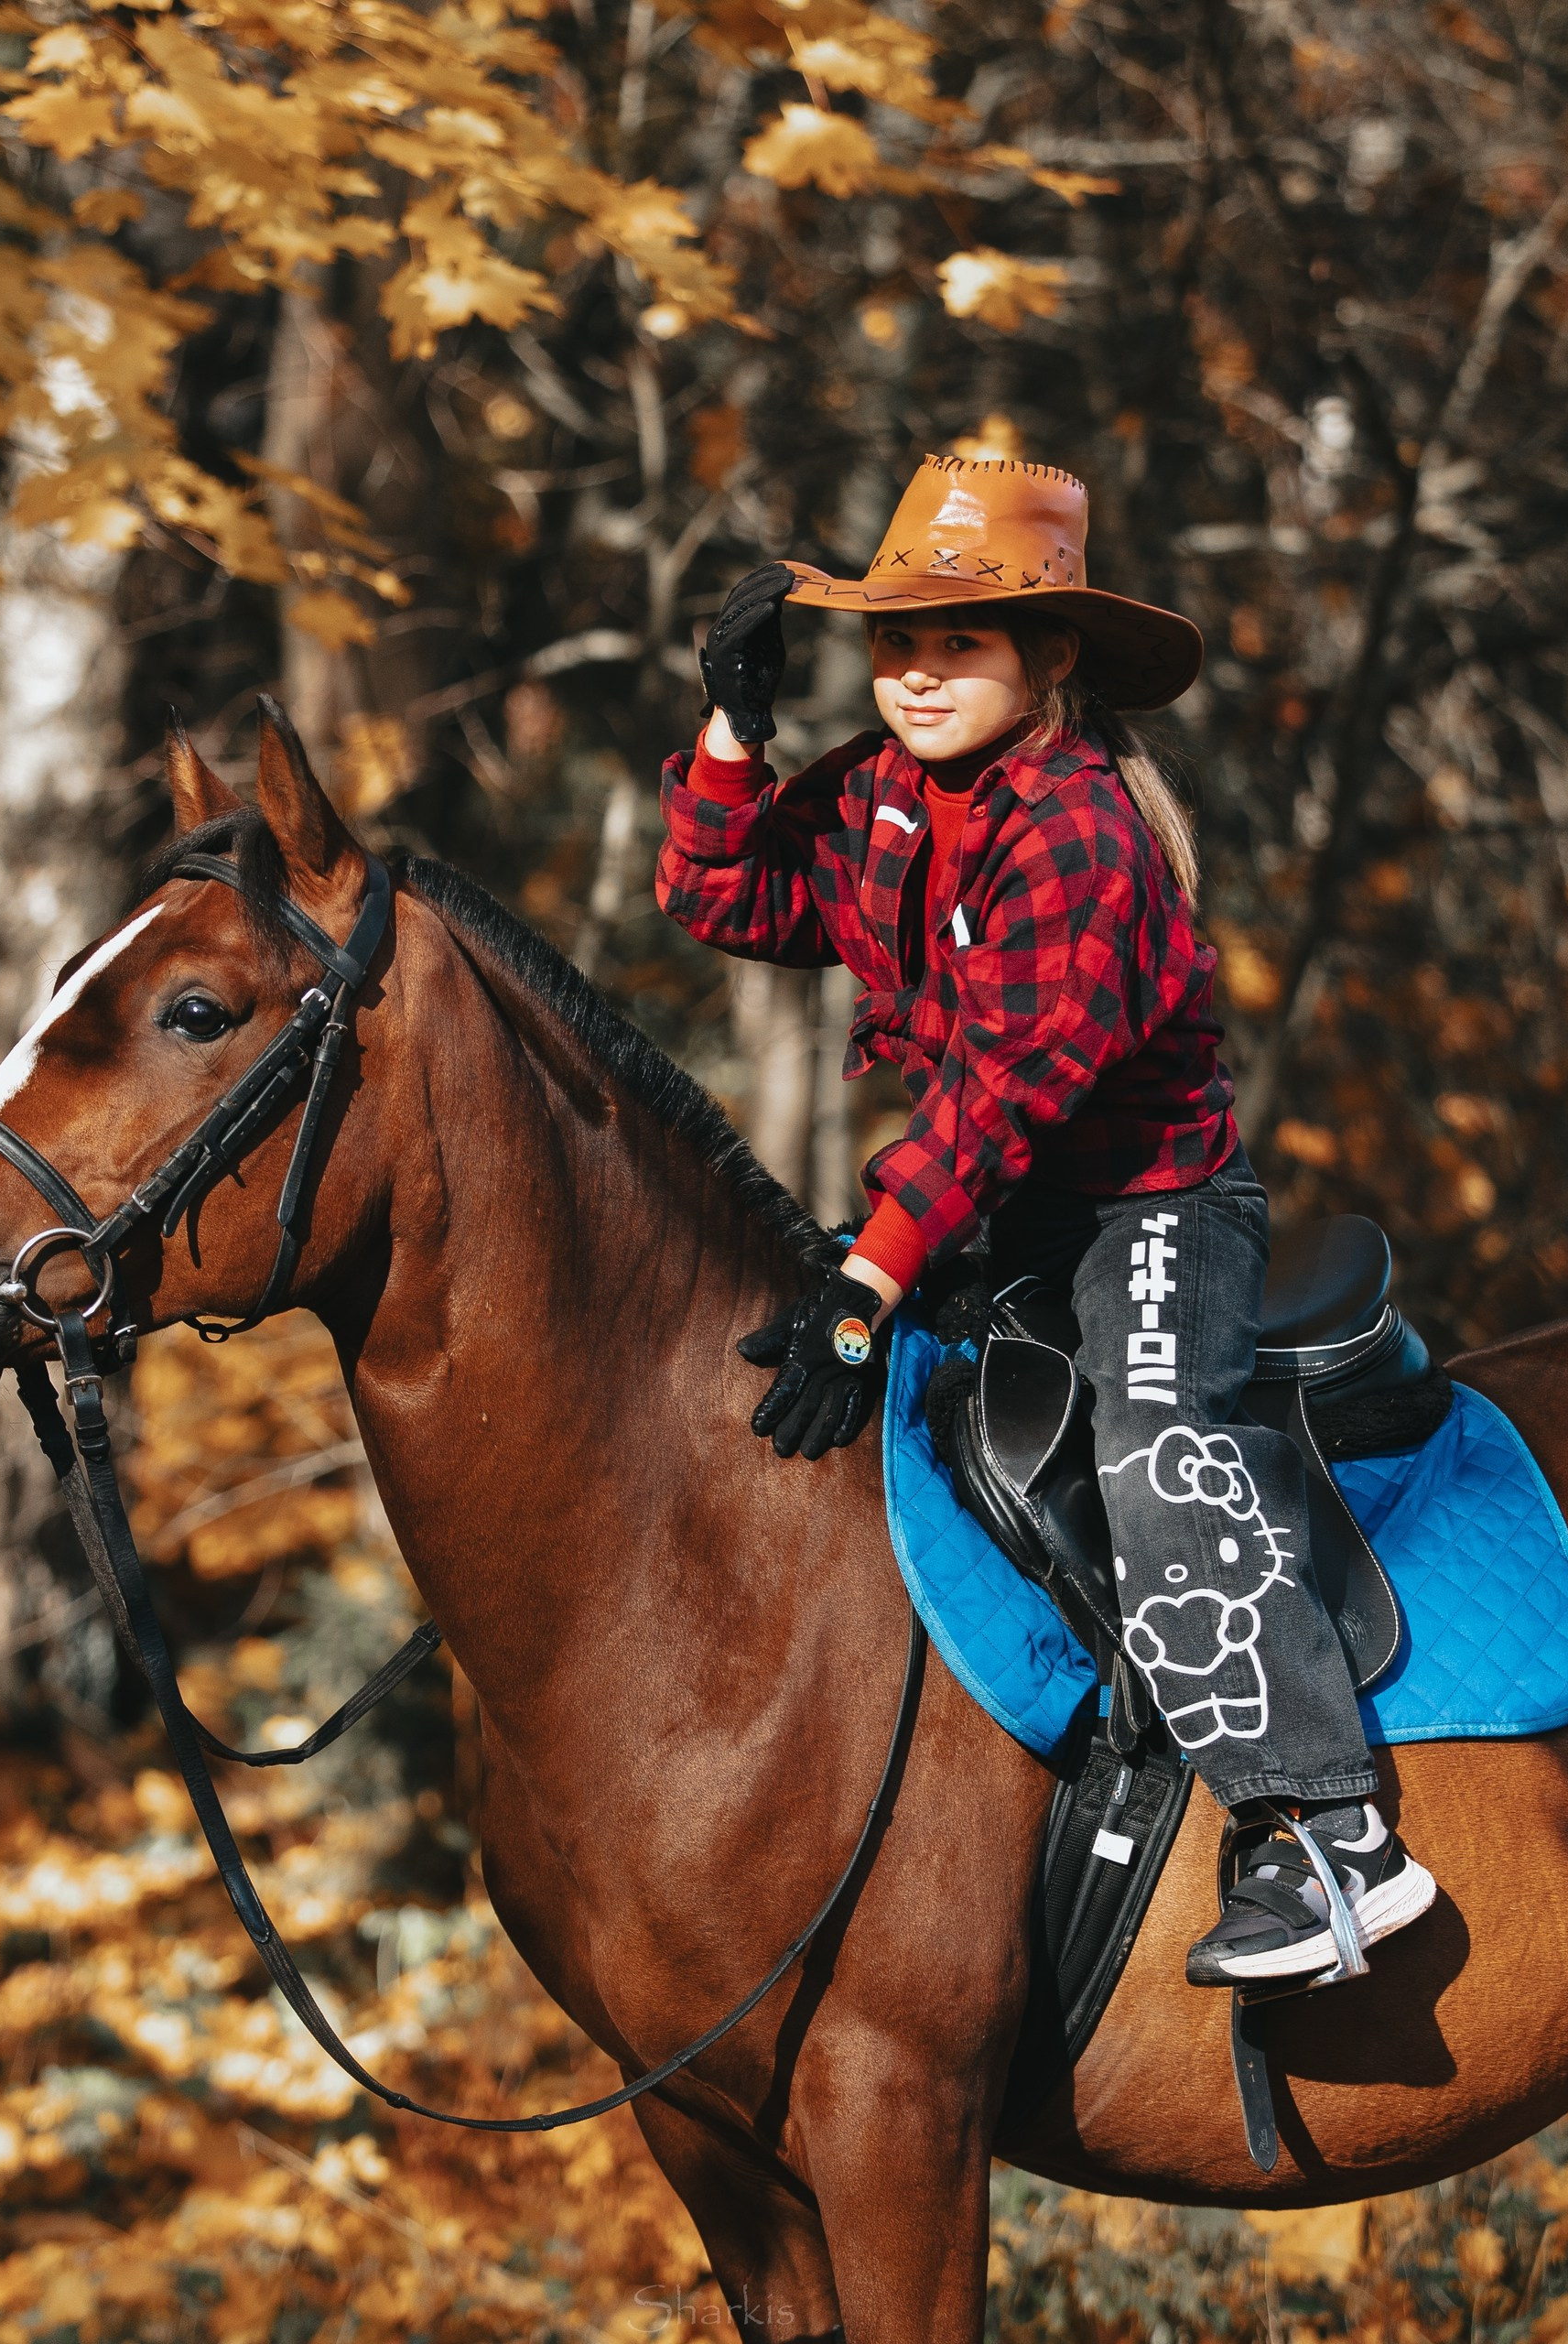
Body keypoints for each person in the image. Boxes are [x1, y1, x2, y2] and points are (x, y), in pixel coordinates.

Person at [655, 454, 1435, 1987]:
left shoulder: (1081, 830)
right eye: (894, 643)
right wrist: (735, 734)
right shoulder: (887, 792)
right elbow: (721, 901)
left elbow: (1002, 1095)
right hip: (996, 1215)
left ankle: (1333, 1839)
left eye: (961, 643)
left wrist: (869, 1275)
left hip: (1151, 1213)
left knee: (1151, 1451)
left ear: (1052, 658)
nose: (918, 675)